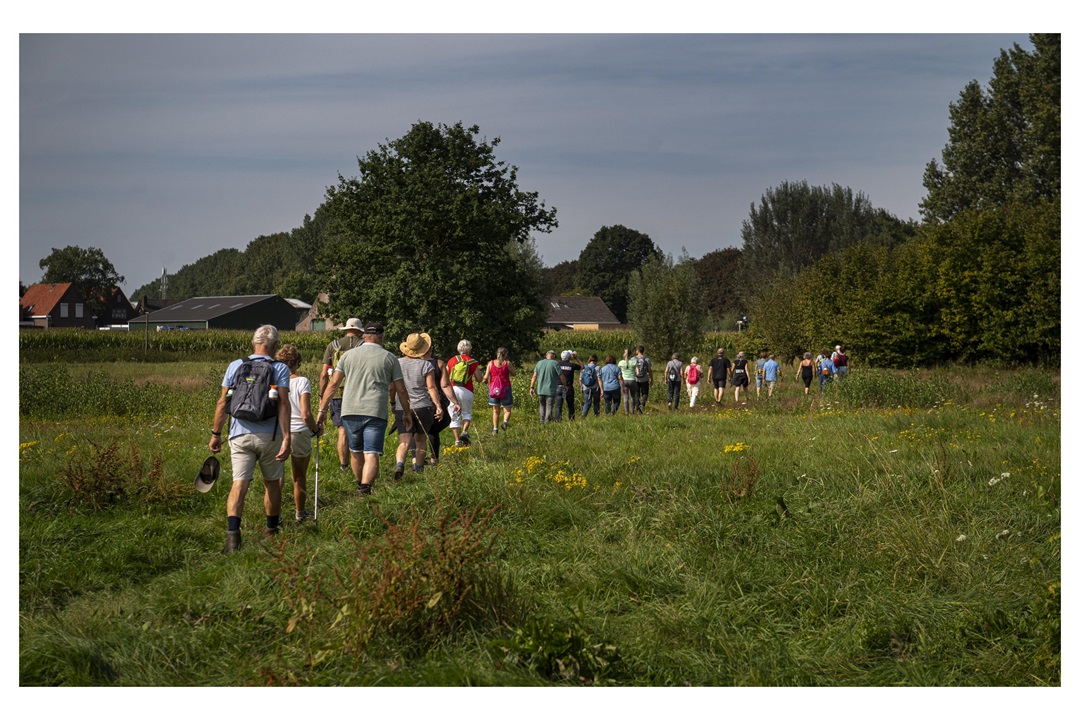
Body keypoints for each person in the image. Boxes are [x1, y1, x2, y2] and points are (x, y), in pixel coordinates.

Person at [210, 324, 292, 554]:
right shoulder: (280, 368)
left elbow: (222, 402)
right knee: (272, 483)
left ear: (252, 343)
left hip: (239, 434)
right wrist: (287, 437)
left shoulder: (235, 365)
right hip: (270, 435)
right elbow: (284, 403)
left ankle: (233, 539)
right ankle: (271, 532)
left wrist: (216, 434)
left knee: (239, 484)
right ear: (275, 345)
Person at [315, 322, 410, 496]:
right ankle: (364, 488)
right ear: (381, 338)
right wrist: (406, 412)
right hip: (375, 411)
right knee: (371, 452)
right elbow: (400, 389)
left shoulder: (348, 356)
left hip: (349, 409)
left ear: (364, 336)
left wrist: (322, 410)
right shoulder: (390, 358)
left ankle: (360, 483)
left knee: (356, 451)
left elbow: (333, 383)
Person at [275, 344, 319, 524]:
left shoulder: (274, 381)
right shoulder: (302, 381)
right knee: (299, 476)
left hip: (278, 432)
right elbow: (306, 414)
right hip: (299, 432)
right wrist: (316, 429)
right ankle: (300, 514)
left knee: (276, 476)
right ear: (297, 363)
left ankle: (274, 517)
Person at [390, 332, 444, 479]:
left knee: (404, 441)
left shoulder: (397, 363)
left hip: (403, 407)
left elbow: (392, 387)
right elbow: (431, 387)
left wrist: (393, 403)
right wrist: (438, 405)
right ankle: (418, 469)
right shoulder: (426, 365)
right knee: (420, 440)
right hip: (423, 406)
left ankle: (400, 464)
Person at [319, 318, 364, 473]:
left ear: (345, 330)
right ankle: (359, 465)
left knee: (342, 430)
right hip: (358, 392)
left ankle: (344, 466)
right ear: (359, 331)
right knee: (359, 429)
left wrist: (322, 396)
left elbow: (324, 374)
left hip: (337, 392)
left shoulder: (333, 346)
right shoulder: (364, 346)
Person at [422, 342, 458, 465]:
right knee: (433, 431)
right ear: (430, 349)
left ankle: (416, 460)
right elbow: (445, 385)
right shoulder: (439, 363)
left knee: (415, 431)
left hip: (416, 401)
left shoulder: (412, 363)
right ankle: (434, 459)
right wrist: (455, 401)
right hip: (435, 401)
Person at [446, 339, 483, 447]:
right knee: (467, 413)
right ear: (469, 349)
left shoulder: (452, 360)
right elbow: (479, 379)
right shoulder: (473, 362)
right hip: (467, 390)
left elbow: (446, 375)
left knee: (454, 414)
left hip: (453, 390)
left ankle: (457, 441)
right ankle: (464, 432)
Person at [484, 347, 516, 435]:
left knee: (495, 410)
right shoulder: (507, 363)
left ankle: (495, 429)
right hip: (505, 388)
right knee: (507, 409)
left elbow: (485, 377)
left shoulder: (491, 363)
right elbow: (514, 373)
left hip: (494, 389)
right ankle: (505, 422)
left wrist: (486, 380)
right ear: (505, 355)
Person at [530, 349, 561, 423]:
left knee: (542, 405)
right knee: (549, 406)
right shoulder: (555, 363)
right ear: (553, 356)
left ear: (547, 355)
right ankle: (547, 421)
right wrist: (565, 385)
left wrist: (531, 387)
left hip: (541, 389)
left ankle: (541, 420)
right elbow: (561, 376)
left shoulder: (539, 363)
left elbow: (534, 376)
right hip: (551, 390)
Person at [555, 350, 582, 421]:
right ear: (569, 357)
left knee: (558, 406)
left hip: (558, 386)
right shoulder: (571, 365)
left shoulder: (557, 364)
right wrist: (576, 358)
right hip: (568, 387)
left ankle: (558, 420)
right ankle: (571, 420)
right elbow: (582, 367)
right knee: (570, 405)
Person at [632, 346, 653, 413]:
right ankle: (642, 405)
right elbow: (649, 370)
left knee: (636, 393)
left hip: (635, 379)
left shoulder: (633, 359)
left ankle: (637, 407)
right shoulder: (646, 359)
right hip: (644, 379)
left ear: (638, 350)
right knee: (645, 393)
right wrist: (651, 379)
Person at [579, 353, 601, 418]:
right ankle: (596, 415)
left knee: (587, 402)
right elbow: (599, 379)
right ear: (596, 360)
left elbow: (580, 379)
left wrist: (581, 387)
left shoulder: (584, 367)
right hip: (595, 388)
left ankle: (584, 415)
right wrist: (602, 389)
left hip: (586, 387)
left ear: (589, 359)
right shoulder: (598, 367)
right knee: (596, 402)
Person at [617, 348, 637, 416]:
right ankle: (633, 411)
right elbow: (637, 372)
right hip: (632, 380)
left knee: (625, 397)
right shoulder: (634, 362)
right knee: (633, 396)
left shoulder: (621, 362)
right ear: (630, 354)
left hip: (624, 381)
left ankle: (627, 412)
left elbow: (618, 372)